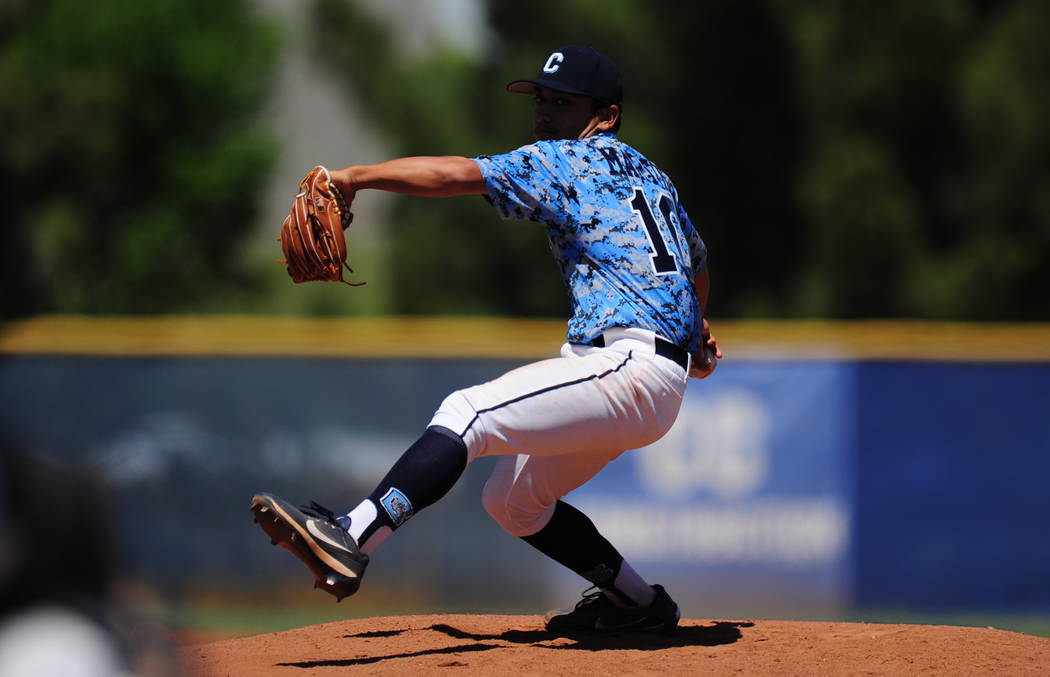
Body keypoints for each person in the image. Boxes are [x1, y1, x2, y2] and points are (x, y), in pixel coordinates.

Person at [252, 44, 721, 635]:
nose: (545, 113)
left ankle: (352, 535)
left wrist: (354, 178)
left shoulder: (563, 162)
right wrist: (694, 333)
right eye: (541, 100)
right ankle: (640, 603)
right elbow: (695, 265)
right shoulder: (652, 177)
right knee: (514, 504)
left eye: (563, 102)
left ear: (605, 114)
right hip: (651, 378)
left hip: (625, 366)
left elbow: (457, 174)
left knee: (466, 412)